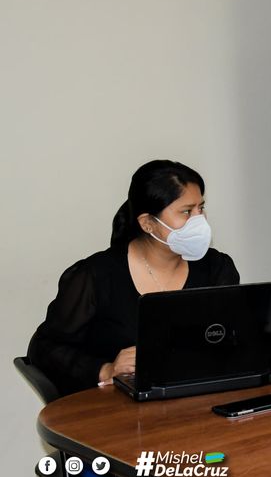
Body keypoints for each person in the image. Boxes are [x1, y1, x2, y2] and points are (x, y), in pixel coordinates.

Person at [28, 160, 239, 396]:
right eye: (187, 212)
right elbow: (43, 348)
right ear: (147, 223)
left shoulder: (217, 267)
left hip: (200, 398)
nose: (200, 221)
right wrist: (105, 370)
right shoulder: (96, 275)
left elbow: (233, 338)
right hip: (122, 407)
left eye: (201, 208)